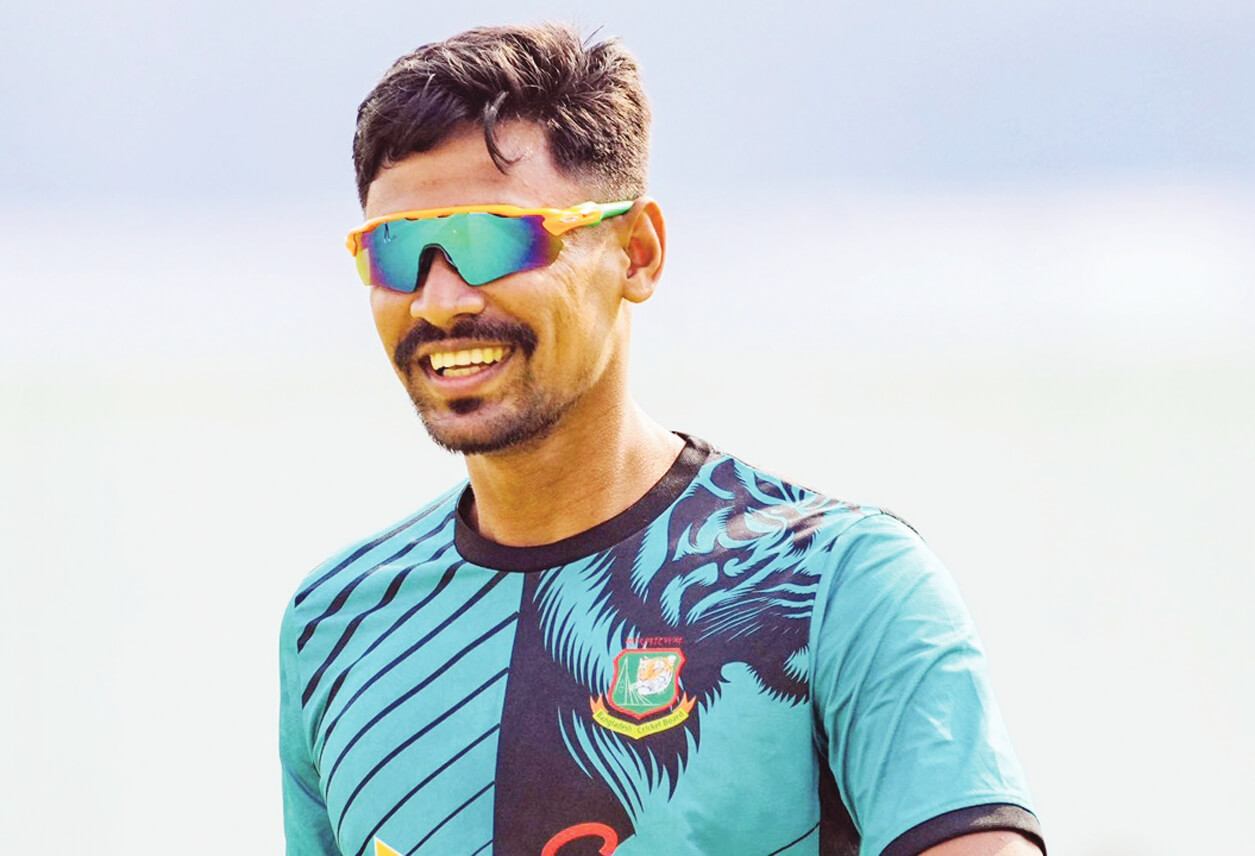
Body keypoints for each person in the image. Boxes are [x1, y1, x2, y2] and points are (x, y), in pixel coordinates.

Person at [279, 23, 1045, 856]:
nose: (439, 301)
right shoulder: (336, 624)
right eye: (394, 251)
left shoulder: (840, 585)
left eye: (491, 237)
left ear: (636, 253)